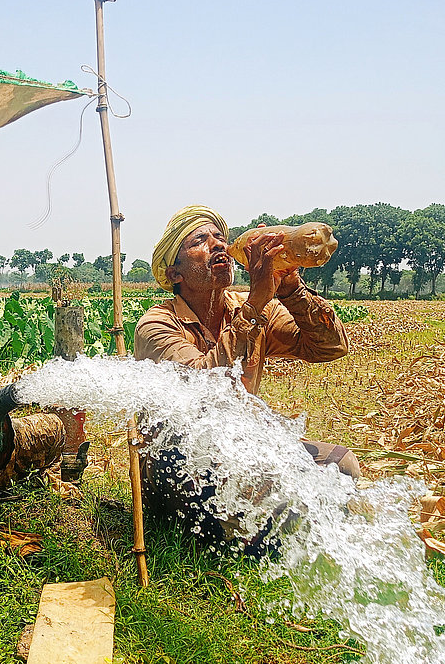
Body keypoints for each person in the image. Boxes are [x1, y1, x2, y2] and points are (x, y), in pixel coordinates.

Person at [134, 205, 358, 554]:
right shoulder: (156, 325)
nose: (217, 245)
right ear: (174, 272)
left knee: (342, 466)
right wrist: (254, 305)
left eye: (221, 238)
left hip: (240, 445)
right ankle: (255, 537)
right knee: (264, 494)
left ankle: (288, 532)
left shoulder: (250, 305)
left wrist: (290, 288)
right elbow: (205, 385)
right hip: (182, 459)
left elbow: (329, 347)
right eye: (200, 241)